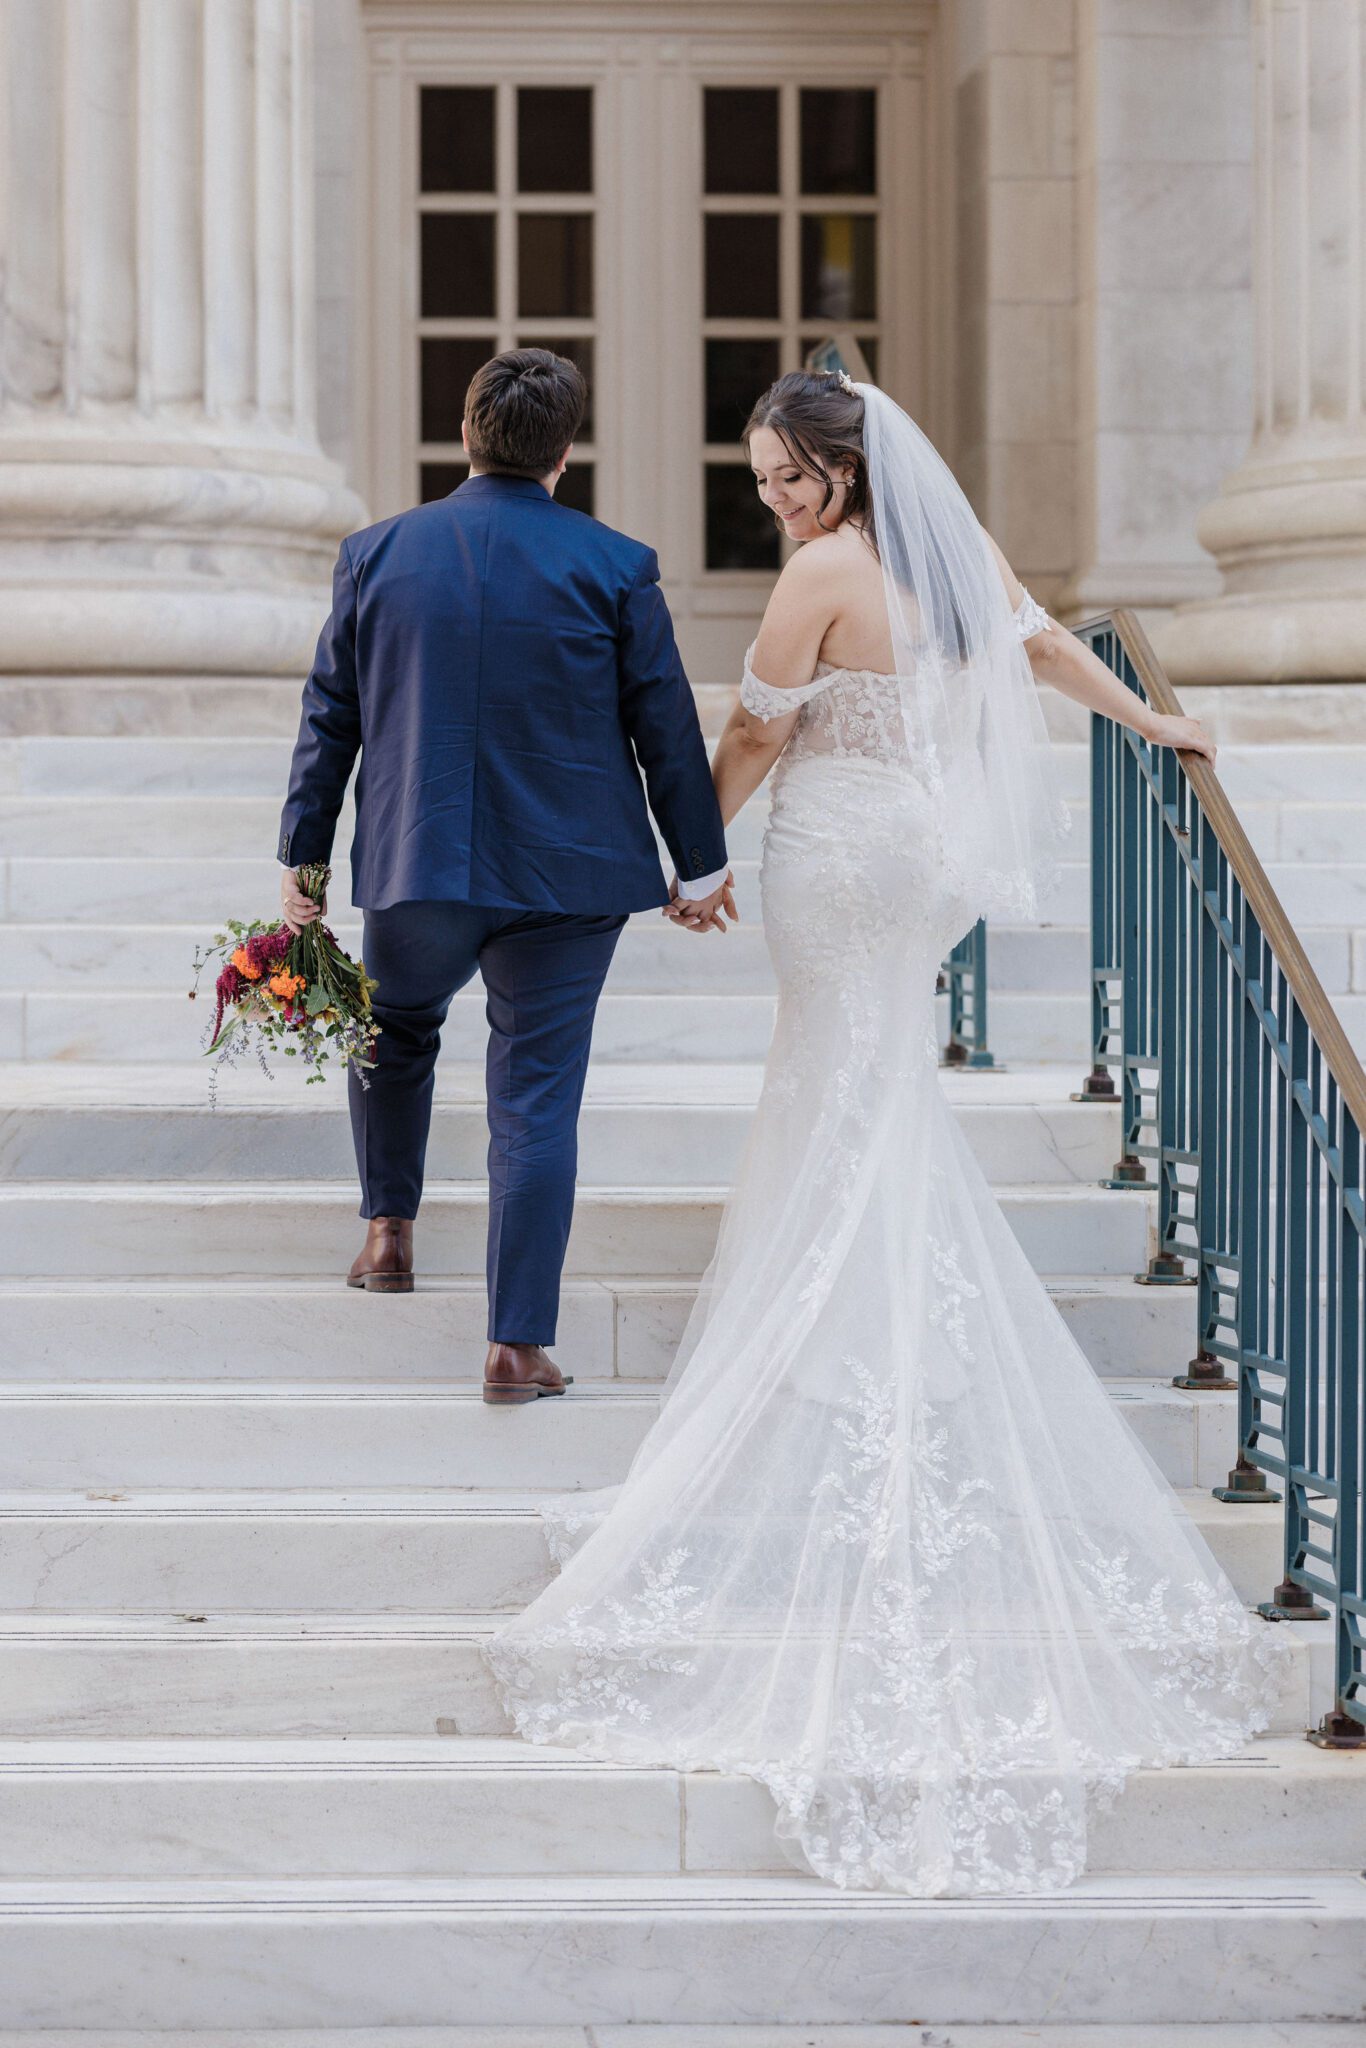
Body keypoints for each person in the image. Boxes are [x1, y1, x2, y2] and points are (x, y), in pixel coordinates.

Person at [483, 368, 1299, 1897]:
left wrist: (679, 857)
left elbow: (750, 738)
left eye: (786, 476)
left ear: (841, 470)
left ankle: (817, 1330)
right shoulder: (947, 553)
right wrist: (1152, 720)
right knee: (865, 1091)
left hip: (840, 860)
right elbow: (1048, 645)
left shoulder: (818, 582)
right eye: (763, 480)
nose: (773, 500)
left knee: (834, 1085)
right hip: (911, 860)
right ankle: (843, 1313)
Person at [275, 348, 731, 1403]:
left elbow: (329, 715)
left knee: (392, 1036)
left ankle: (388, 1233)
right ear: (564, 455)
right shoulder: (616, 563)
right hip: (569, 876)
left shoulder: (376, 552)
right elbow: (663, 724)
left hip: (415, 857)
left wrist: (303, 849)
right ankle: (516, 1344)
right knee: (535, 1100)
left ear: (467, 434)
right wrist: (698, 865)